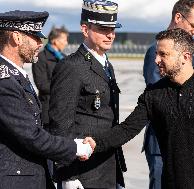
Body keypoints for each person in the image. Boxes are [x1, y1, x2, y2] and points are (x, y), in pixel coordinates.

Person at [91, 28, 194, 189]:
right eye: (157, 53)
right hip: (171, 183)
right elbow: (127, 129)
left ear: (185, 56)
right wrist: (96, 143)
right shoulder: (153, 93)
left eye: (163, 54)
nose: (156, 59)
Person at [0, 10, 95, 189]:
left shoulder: (15, 76)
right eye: (35, 37)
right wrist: (75, 148)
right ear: (16, 38)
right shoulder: (4, 82)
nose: (39, 43)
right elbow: (32, 136)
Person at [48, 0, 126, 188]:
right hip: (84, 171)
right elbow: (60, 124)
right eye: (102, 29)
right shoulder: (71, 66)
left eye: (112, 29)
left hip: (107, 165)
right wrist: (68, 174)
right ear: (85, 29)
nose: (110, 35)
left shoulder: (106, 65)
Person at [142, 1, 194, 188]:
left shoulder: (188, 53)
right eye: (193, 25)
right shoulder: (156, 52)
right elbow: (162, 95)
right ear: (178, 17)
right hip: (162, 142)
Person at [32, 26, 69, 129]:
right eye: (64, 40)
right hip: (47, 110)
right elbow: (42, 85)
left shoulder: (65, 58)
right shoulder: (40, 58)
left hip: (64, 110)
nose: (66, 43)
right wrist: (64, 87)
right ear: (54, 41)